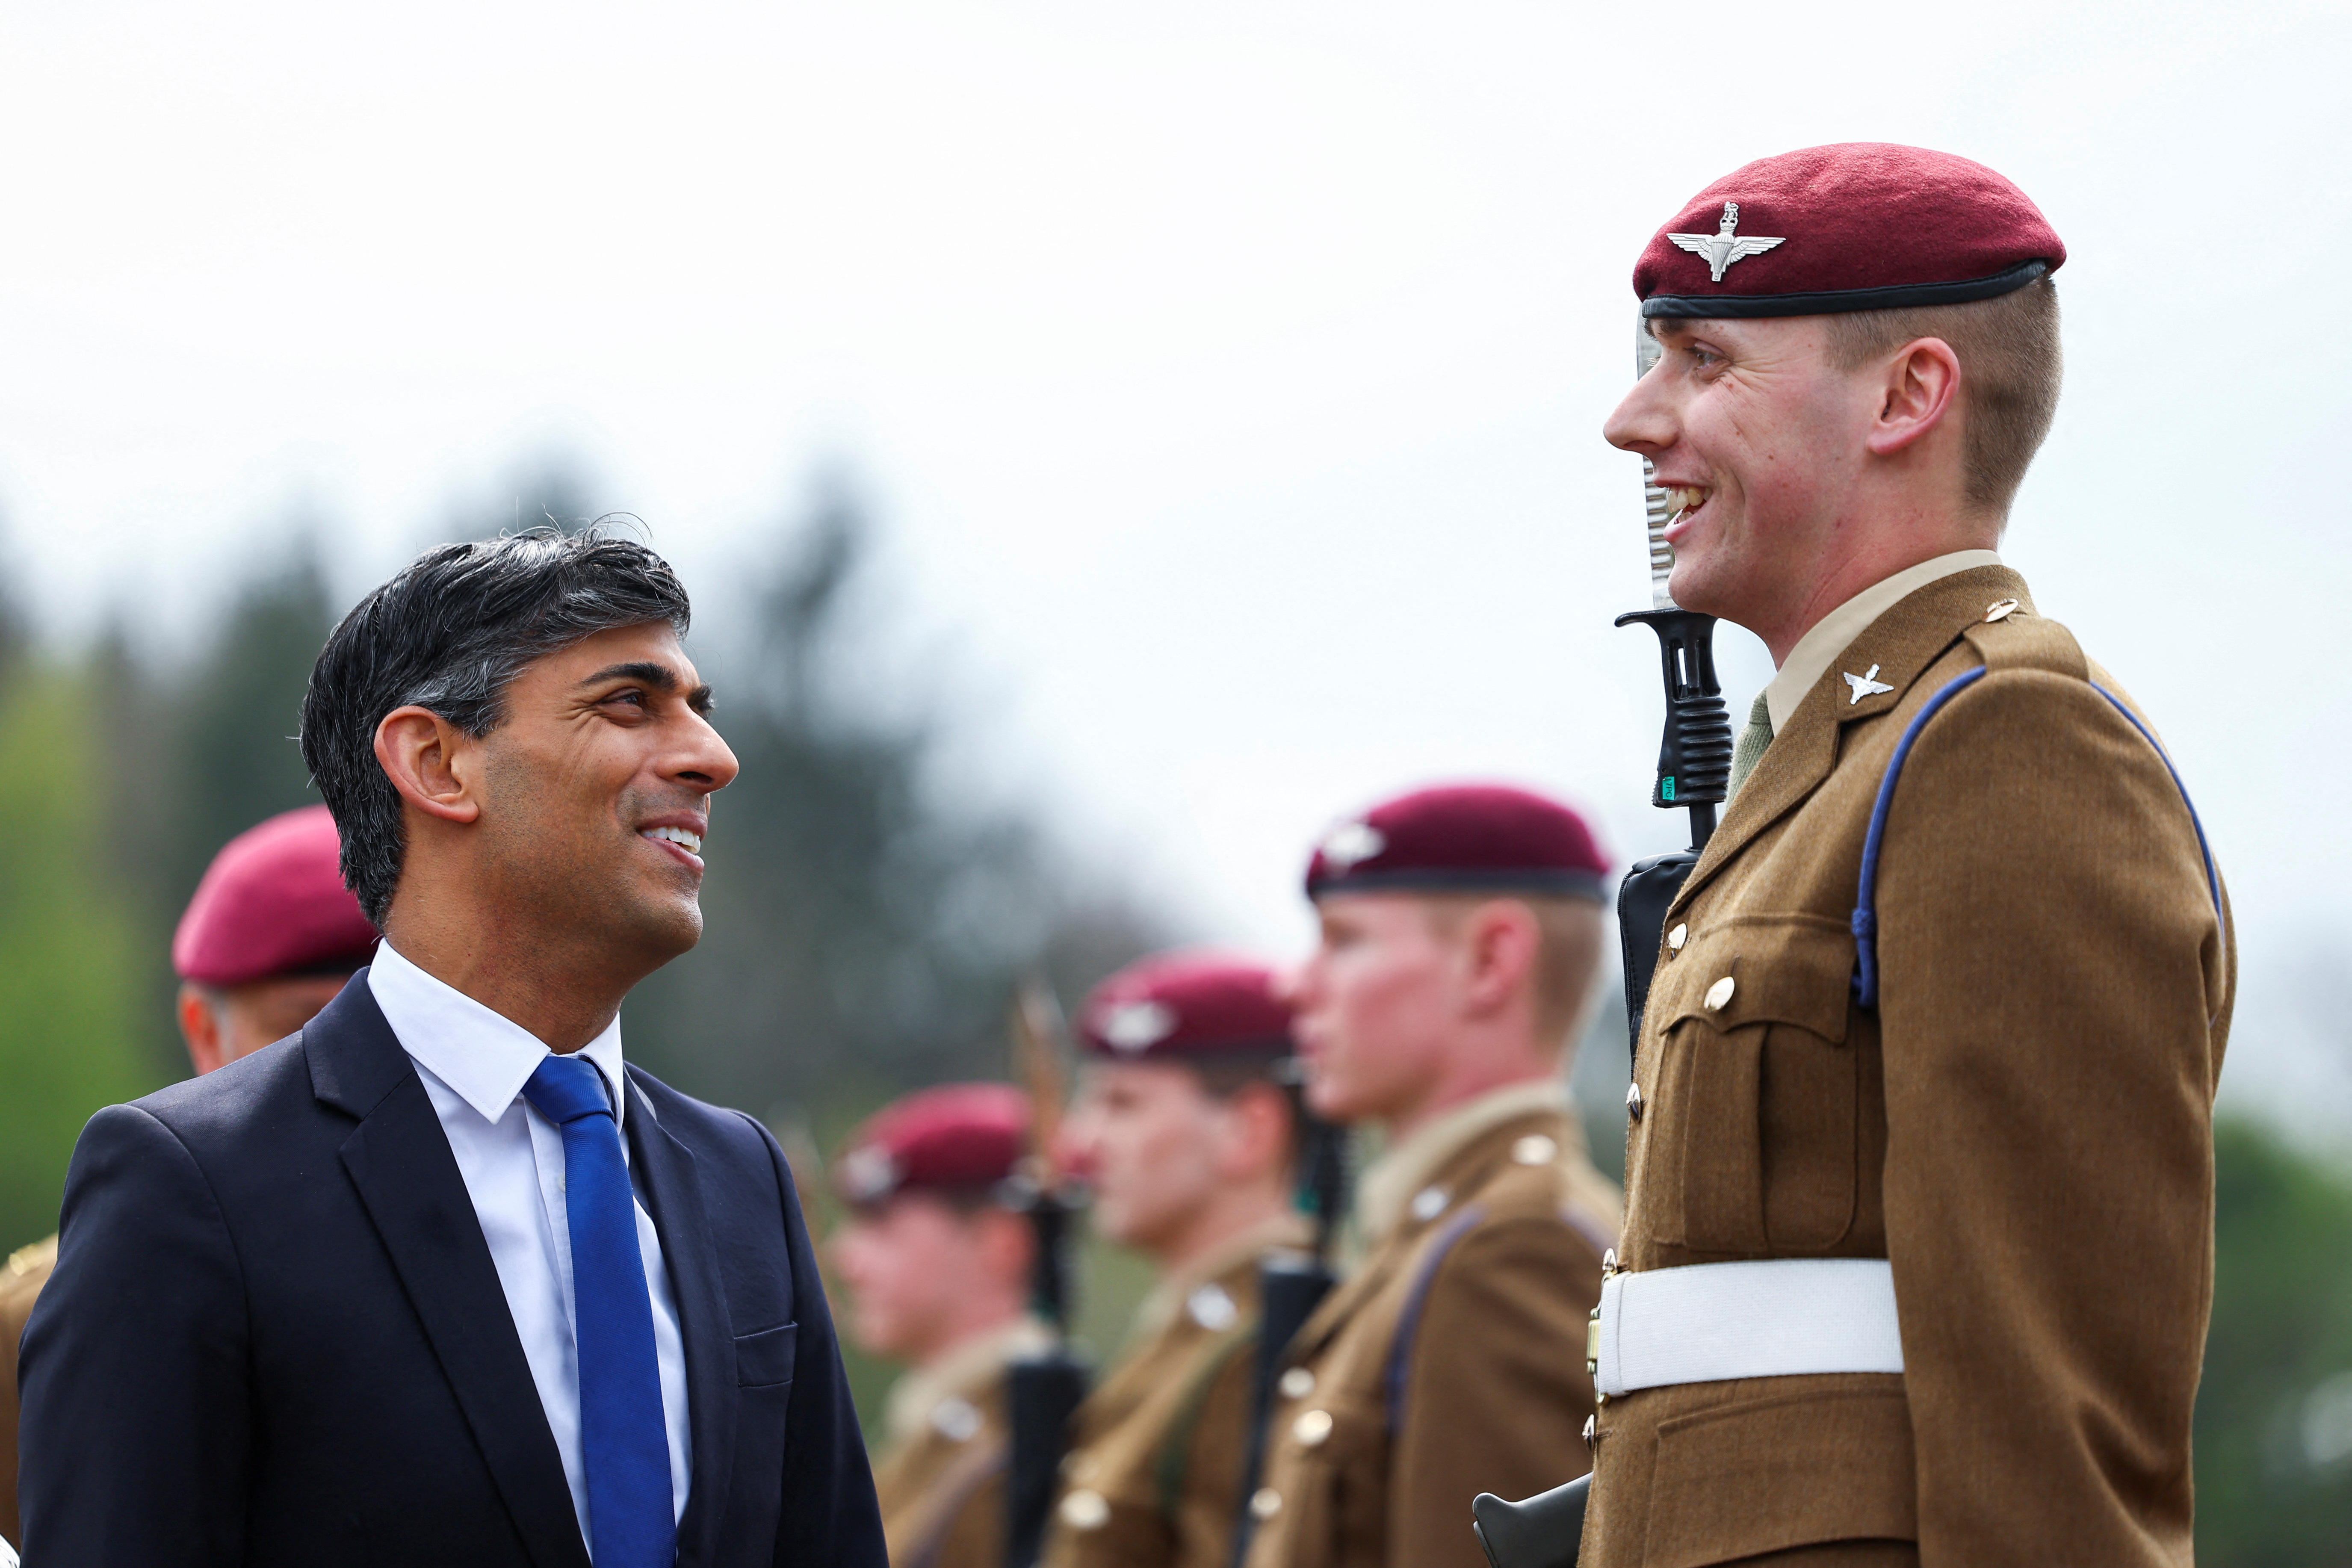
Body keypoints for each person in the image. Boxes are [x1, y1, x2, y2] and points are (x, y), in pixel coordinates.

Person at [1585, 144, 2232, 1565]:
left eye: (1704, 360)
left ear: (1906, 395)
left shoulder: (2010, 747)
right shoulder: (1831, 771)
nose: (1636, 420)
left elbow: (2052, 1441)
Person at [18, 530, 885, 1568]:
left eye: (699, 705)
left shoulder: (739, 1178)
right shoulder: (192, 1186)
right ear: (436, 761)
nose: (710, 754)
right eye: (628, 702)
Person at [1244, 783, 1622, 1568]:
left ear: (1491, 961)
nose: (1294, 985)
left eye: (1344, 940)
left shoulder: (1509, 1247)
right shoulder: (1444, 1235)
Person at [0, 802, 379, 1551]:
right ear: (205, 1032)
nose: (353, 1070)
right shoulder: (35, 1320)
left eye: (381, 1032)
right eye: (304, 1025)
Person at [1044, 952, 1311, 1568]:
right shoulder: (1194, 1336)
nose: (1078, 1145)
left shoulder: (1262, 1348)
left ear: (1249, 1130)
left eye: (1124, 1103)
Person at [829, 1082, 1045, 1568]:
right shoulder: (945, 1432)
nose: (845, 1259)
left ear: (1000, 1242)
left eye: (880, 1226)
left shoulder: (1020, 1448)